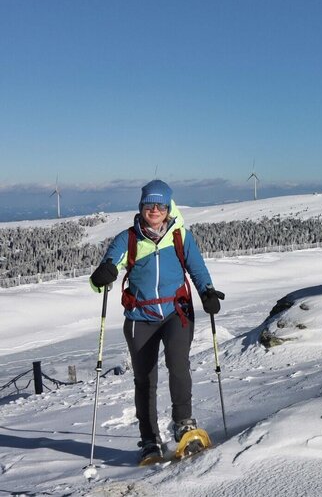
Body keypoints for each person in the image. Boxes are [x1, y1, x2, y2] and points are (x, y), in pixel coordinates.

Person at [89, 179, 224, 463]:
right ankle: (150, 439)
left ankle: (183, 424)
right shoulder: (127, 239)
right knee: (144, 380)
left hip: (177, 312)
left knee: (178, 366)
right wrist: (102, 276)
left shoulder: (180, 236)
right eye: (149, 204)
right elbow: (108, 266)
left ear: (168, 207)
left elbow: (197, 269)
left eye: (160, 205)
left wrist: (207, 293)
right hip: (140, 317)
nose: (154, 210)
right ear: (141, 207)